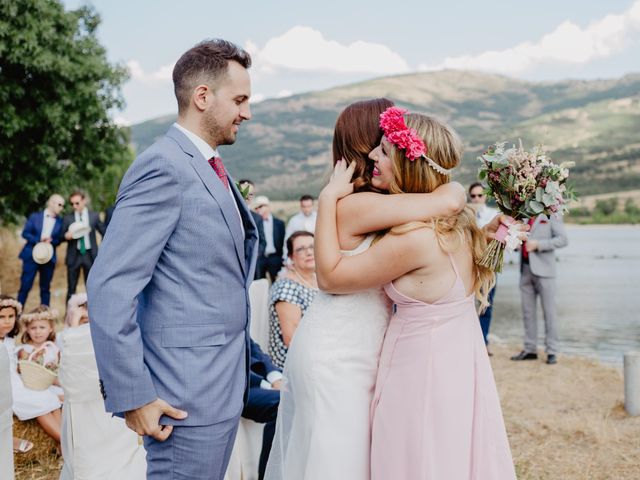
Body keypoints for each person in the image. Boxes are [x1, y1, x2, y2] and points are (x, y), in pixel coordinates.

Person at [264, 99, 467, 480]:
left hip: (351, 343)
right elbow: (446, 200)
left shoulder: (368, 201)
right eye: (385, 137)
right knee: (340, 463)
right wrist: (450, 190)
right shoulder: (359, 205)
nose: (384, 147)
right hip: (339, 352)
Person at [87, 38, 258, 480]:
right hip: (182, 401)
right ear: (203, 96)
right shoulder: (163, 166)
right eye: (239, 99)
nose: (247, 112)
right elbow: (110, 286)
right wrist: (135, 396)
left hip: (222, 390)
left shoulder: (211, 168)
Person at [315, 108, 516, 479]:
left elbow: (330, 279)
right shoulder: (461, 223)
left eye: (385, 151)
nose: (374, 156)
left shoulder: (416, 239)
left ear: (409, 167)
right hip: (456, 363)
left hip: (420, 372)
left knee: (414, 459)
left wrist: (327, 199)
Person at [57, 293, 146, 480]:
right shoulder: (71, 341)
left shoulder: (90, 342)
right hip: (89, 412)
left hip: (111, 412)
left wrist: (74, 329)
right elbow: (71, 383)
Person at [0, 297, 62, 445]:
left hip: (17, 382)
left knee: (50, 398)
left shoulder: (9, 341)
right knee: (40, 403)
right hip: (7, 388)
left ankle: (64, 442)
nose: (7, 321)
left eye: (11, 316)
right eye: (1, 317)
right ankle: (67, 443)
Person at [511, 214, 568, 365]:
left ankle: (552, 351)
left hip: (545, 271)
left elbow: (563, 239)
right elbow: (519, 237)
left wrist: (538, 244)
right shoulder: (523, 213)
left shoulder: (551, 214)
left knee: (549, 312)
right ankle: (530, 349)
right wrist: (516, 243)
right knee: (527, 312)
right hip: (525, 269)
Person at [267, 231, 318, 369]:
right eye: (301, 249)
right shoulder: (286, 288)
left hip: (317, 351)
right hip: (294, 365)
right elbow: (293, 340)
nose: (309, 252)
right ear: (291, 256)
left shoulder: (317, 279)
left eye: (313, 247)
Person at [243, 339, 282, 480]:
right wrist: (266, 384)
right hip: (239, 387)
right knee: (282, 404)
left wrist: (276, 378)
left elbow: (253, 348)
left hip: (259, 379)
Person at [17, 194, 65, 306]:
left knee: (45, 289)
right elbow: (25, 233)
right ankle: (16, 316)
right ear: (51, 203)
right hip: (31, 256)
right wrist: (39, 239)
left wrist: (52, 240)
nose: (61, 208)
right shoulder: (35, 216)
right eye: (59, 204)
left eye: (62, 205)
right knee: (25, 286)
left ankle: (45, 316)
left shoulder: (60, 221)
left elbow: (59, 240)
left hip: (48, 257)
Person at [469, 181, 499, 352]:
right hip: (468, 265)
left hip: (488, 265)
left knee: (486, 304)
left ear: (485, 196)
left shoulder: (494, 215)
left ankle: (483, 341)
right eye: (473, 196)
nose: (476, 199)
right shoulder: (465, 215)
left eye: (480, 195)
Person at [62, 190, 105, 302]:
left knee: (91, 287)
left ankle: (92, 315)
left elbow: (104, 232)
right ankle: (69, 316)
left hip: (90, 255)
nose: (74, 206)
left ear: (84, 201)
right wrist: (66, 236)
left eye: (77, 203)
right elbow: (60, 236)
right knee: (71, 288)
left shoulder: (94, 216)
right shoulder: (68, 218)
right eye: (72, 204)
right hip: (74, 256)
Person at [239, 179, 267, 279]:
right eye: (243, 192)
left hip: (252, 266)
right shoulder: (229, 214)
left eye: (250, 194)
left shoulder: (257, 218)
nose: (246, 196)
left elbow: (262, 242)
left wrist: (254, 255)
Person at [254, 196, 286, 282]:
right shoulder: (254, 224)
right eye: (256, 208)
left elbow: (283, 241)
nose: (258, 209)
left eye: (261, 206)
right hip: (260, 259)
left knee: (277, 282)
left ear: (268, 207)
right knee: (259, 284)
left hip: (275, 258)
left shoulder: (279, 223)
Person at [282, 195, 317, 260]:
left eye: (309, 206)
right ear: (301, 206)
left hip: (317, 254)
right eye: (304, 206)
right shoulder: (294, 220)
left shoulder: (319, 218)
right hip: (300, 256)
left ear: (313, 206)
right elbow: (287, 240)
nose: (307, 209)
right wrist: (286, 258)